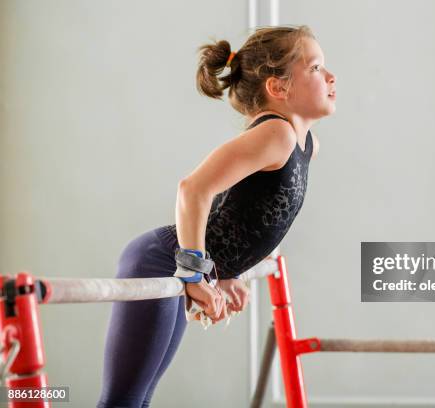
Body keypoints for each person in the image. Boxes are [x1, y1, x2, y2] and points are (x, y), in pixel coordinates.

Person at [96, 24, 336, 407]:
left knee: (138, 400)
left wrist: (223, 272)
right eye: (315, 67)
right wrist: (194, 270)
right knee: (124, 400)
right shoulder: (278, 135)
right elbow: (193, 190)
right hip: (159, 262)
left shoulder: (307, 145)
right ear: (278, 88)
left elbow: (240, 212)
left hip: (179, 264)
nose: (330, 76)